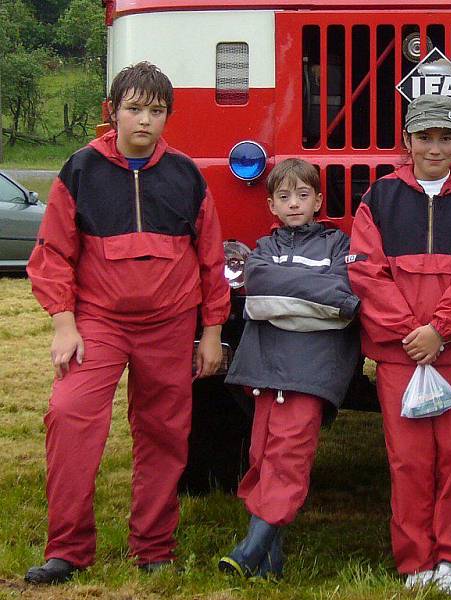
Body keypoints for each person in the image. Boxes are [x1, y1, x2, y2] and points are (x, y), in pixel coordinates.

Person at [24, 61, 230, 584]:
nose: (144, 120)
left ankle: (154, 545)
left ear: (168, 117)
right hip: (98, 320)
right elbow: (52, 253)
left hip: (171, 323)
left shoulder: (186, 175)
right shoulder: (79, 170)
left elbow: (211, 258)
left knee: (164, 432)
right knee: (70, 416)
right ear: (111, 112)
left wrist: (211, 332)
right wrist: (64, 323)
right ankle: (67, 550)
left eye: (156, 111)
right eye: (133, 108)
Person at [347, 94, 451, 596]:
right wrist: (410, 334)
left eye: (445, 137)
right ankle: (416, 557)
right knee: (408, 458)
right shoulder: (379, 197)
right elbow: (366, 272)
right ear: (407, 141)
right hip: (403, 354)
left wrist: (441, 329)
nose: (434, 147)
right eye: (424, 137)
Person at [219, 158, 360, 579]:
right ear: (271, 206)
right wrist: (313, 299)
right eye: (284, 196)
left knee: (289, 456)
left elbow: (344, 296)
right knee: (261, 454)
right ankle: (270, 564)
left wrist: (285, 295)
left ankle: (248, 551)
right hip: (264, 368)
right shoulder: (264, 249)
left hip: (312, 372)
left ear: (319, 200)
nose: (294, 203)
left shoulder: (337, 244)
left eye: (302, 195)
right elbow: (256, 288)